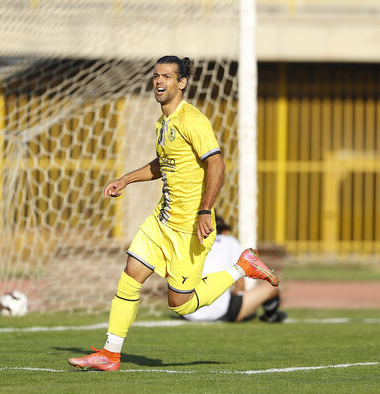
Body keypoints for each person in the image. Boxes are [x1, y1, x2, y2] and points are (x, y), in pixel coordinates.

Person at [68, 55, 279, 372]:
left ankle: (242, 267)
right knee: (130, 276)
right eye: (156, 76)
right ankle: (110, 354)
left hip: (187, 229)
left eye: (167, 76)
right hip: (161, 222)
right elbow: (161, 164)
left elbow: (217, 163)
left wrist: (205, 210)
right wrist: (125, 179)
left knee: (181, 304)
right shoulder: (162, 122)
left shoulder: (192, 120)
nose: (159, 81)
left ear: (182, 83)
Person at [183, 216, 286, 323]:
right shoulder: (229, 242)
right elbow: (239, 284)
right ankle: (271, 316)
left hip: (188, 311)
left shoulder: (189, 241)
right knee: (271, 287)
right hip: (222, 312)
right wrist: (242, 305)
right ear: (224, 231)